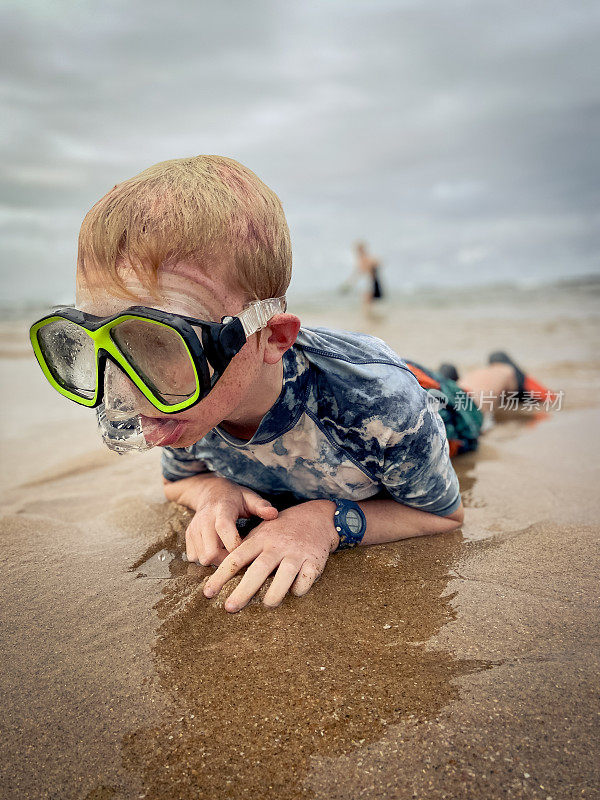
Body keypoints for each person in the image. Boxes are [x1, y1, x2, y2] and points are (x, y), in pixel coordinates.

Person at [30, 156, 557, 613]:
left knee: (468, 402)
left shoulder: (378, 405)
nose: (125, 393)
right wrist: (214, 492)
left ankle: (502, 371)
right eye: (101, 345)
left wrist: (326, 522)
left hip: (422, 402)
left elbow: (442, 515)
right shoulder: (186, 407)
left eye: (160, 343)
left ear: (270, 338)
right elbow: (177, 482)